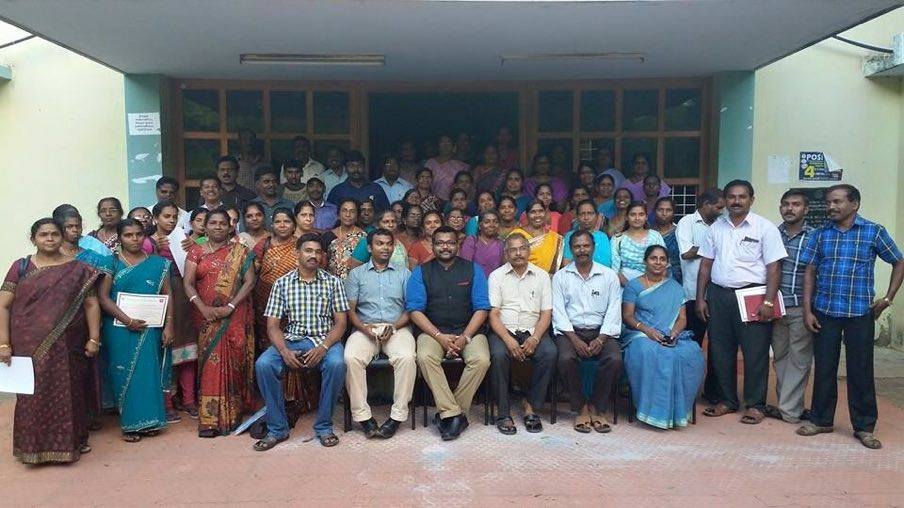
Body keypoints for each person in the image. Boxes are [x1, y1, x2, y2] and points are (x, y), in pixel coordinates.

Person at [797, 184, 903, 449]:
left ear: (854, 204)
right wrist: (808, 310)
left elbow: (899, 261)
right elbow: (809, 272)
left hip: (860, 313)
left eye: (837, 202)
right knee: (824, 368)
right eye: (829, 202)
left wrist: (888, 298)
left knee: (861, 370)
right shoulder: (821, 234)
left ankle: (864, 426)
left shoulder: (873, 231)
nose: (831, 207)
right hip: (825, 311)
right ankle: (821, 420)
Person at [0, 218, 101, 464]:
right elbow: (3, 305)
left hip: (68, 344)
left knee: (69, 393)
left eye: (54, 234)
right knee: (31, 396)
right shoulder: (21, 267)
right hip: (27, 344)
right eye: (43, 234)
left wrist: (94, 338)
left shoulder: (79, 269)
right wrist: (4, 343)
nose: (49, 239)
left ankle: (71, 444)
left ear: (61, 237)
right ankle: (32, 448)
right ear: (33, 238)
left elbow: (91, 304)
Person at [696, 180, 787, 425]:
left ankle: (755, 405)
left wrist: (769, 301)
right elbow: (705, 265)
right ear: (725, 200)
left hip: (753, 295)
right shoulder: (716, 228)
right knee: (720, 350)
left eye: (742, 197)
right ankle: (727, 400)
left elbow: (774, 267)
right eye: (732, 197)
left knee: (755, 353)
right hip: (719, 295)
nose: (736, 201)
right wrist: (701, 298)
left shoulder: (765, 228)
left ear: (751, 200)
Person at [254, 233, 349, 450]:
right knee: (264, 364)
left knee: (337, 364)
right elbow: (273, 326)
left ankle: (324, 426)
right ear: (297, 253)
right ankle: (277, 428)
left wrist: (323, 347)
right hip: (292, 340)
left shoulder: (333, 283)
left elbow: (341, 324)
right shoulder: (282, 283)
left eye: (317, 252)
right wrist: (284, 351)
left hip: (324, 340)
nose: (313, 255)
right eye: (308, 250)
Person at [407, 227, 491, 441]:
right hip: (433, 331)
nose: (445, 247)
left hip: (469, 330)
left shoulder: (473, 269)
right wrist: (439, 337)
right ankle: (455, 415)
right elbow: (415, 311)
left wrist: (465, 337)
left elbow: (482, 308)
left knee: (481, 360)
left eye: (450, 242)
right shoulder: (421, 272)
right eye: (440, 243)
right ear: (433, 245)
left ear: (457, 245)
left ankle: (450, 414)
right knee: (425, 357)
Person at [183, 208, 257, 437]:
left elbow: (250, 281)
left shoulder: (241, 251)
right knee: (210, 365)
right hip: (206, 317)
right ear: (205, 227)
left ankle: (232, 415)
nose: (217, 227)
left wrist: (231, 306)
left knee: (235, 361)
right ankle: (209, 421)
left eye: (222, 223)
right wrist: (203, 308)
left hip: (235, 315)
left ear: (230, 226)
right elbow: (188, 283)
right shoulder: (196, 251)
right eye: (213, 223)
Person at [98, 219, 173, 442]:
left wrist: (169, 325)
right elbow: (103, 297)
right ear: (120, 238)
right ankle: (130, 425)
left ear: (145, 236)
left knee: (148, 371)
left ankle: (150, 421)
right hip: (119, 328)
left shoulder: (159, 263)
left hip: (150, 327)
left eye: (139, 234)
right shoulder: (111, 263)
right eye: (128, 235)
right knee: (123, 372)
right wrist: (128, 320)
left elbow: (168, 295)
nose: (134, 239)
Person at [620, 245, 704, 429]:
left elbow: (682, 318)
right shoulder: (633, 286)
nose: (658, 262)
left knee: (691, 353)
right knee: (649, 352)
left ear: (667, 263)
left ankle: (676, 411)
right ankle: (652, 411)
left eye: (662, 259)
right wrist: (647, 330)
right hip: (640, 334)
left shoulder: (675, 288)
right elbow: (627, 316)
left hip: (670, 334)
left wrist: (674, 333)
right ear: (645, 261)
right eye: (653, 258)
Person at [344, 229, 416, 439]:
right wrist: (363, 328)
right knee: (351, 358)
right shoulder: (356, 274)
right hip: (365, 327)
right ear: (369, 247)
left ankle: (397, 416)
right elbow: (350, 310)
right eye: (379, 243)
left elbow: (411, 308)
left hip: (397, 327)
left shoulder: (404, 274)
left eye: (389, 244)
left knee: (407, 358)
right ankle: (364, 417)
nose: (385, 247)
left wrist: (393, 327)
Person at [552, 230, 623, 434]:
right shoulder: (561, 277)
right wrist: (574, 340)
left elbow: (614, 309)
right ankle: (581, 407)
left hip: (601, 331)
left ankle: (597, 407)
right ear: (571, 249)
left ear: (593, 248)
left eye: (586, 246)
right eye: (577, 246)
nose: (582, 250)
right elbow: (559, 312)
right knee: (566, 358)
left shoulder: (608, 276)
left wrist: (601, 338)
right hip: (570, 332)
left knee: (614, 359)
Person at [487, 233, 556, 435]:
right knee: (498, 355)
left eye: (522, 248)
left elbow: (546, 313)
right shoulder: (496, 276)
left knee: (550, 353)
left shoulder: (542, 276)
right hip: (503, 330)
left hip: (532, 330)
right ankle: (503, 411)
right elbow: (493, 314)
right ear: (506, 253)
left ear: (529, 250)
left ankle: (531, 405)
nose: (518, 253)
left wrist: (535, 338)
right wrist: (508, 340)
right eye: (513, 250)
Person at [761, 190, 814, 424]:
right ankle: (788, 405)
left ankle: (790, 411)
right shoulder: (772, 233)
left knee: (799, 360)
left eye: (796, 204)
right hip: (775, 307)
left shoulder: (815, 236)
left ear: (806, 209)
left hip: (801, 307)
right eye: (785, 204)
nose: (789, 209)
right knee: (780, 357)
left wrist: (810, 309)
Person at [143, 201, 198, 420]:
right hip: (157, 298)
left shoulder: (183, 238)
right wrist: (152, 248)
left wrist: (192, 246)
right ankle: (166, 402)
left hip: (182, 295)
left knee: (187, 349)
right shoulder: (146, 241)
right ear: (155, 218)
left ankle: (188, 399)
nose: (171, 220)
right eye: (166, 216)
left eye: (175, 217)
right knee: (164, 351)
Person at [675, 188, 724, 402]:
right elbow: (686, 253)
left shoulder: (723, 224)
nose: (722, 211)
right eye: (718, 207)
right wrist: (713, 246)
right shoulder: (687, 222)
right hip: (693, 294)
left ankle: (713, 392)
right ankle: (687, 391)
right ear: (705, 204)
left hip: (719, 293)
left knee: (718, 347)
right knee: (692, 345)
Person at [611, 202, 665, 285]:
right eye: (633, 215)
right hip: (624, 285)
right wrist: (631, 287)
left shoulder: (655, 236)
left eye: (641, 214)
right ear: (626, 217)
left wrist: (651, 286)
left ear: (646, 217)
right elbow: (615, 270)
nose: (637, 218)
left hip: (653, 284)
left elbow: (664, 264)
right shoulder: (617, 239)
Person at [509, 201, 564, 274]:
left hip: (547, 279)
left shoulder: (555, 238)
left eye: (541, 211)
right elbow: (508, 261)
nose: (537, 215)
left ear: (546, 213)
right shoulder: (516, 235)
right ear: (527, 215)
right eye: (533, 212)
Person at [320, 199, 367, 279]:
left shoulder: (363, 237)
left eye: (352, 211)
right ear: (338, 214)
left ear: (357, 216)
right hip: (331, 282)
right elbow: (322, 262)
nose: (348, 214)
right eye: (344, 211)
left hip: (355, 282)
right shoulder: (328, 236)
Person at [563, 200, 612, 267]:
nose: (586, 218)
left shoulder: (603, 236)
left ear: (597, 216)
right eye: (582, 214)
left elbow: (607, 263)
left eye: (590, 213)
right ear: (577, 216)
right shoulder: (570, 236)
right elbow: (566, 263)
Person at [460, 210, 504, 277]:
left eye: (495, 222)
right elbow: (466, 266)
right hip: (475, 281)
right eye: (487, 222)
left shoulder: (501, 244)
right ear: (479, 225)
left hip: (496, 281)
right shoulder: (472, 241)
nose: (492, 225)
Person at [426, 135, 470, 201]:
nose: (445, 145)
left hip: (454, 203)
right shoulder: (430, 163)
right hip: (432, 202)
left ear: (454, 146)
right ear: (438, 146)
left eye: (448, 142)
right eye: (442, 142)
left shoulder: (462, 166)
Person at [652, 197, 682, 283]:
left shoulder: (679, 232)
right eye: (660, 210)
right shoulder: (648, 232)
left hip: (676, 277)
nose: (664, 213)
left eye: (668, 210)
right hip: (650, 276)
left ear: (674, 213)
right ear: (654, 211)